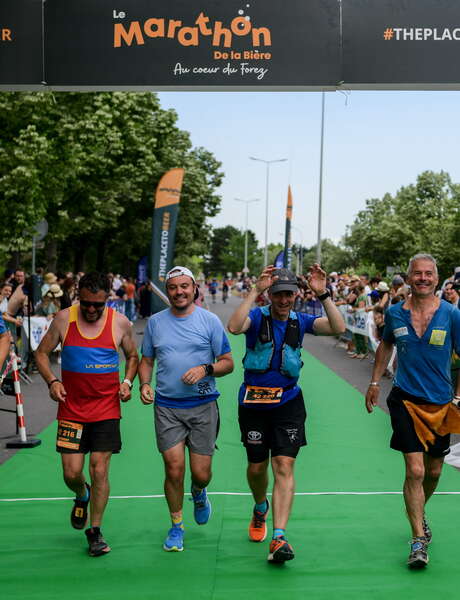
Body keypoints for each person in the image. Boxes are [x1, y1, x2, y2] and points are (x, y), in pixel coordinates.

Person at [227, 265, 345, 564]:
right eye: (278, 294)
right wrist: (254, 290)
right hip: (253, 404)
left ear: (296, 295)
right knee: (257, 468)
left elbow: (338, 327)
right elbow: (233, 326)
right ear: (271, 295)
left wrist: (323, 294)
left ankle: (279, 537)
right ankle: (259, 507)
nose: (283, 300)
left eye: (289, 294)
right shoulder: (256, 317)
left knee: (283, 464)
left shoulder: (301, 321)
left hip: (289, 403)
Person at [365, 253, 460, 570]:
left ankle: (419, 512)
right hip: (404, 399)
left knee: (434, 472)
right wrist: (375, 382)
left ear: (436, 277)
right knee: (416, 471)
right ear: (408, 277)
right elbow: (385, 345)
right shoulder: (394, 313)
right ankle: (418, 540)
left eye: (428, 273)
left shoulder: (451, 314)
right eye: (417, 273)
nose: (422, 278)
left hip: (441, 403)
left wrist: (458, 396)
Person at [35, 272, 139, 557]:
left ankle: (95, 531)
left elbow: (132, 356)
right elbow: (41, 353)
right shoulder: (63, 320)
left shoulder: (119, 323)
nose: (91, 309)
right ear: (78, 295)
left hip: (106, 407)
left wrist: (128, 382)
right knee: (71, 473)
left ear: (108, 298)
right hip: (71, 407)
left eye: (97, 304)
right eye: (86, 303)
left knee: (100, 469)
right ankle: (82, 494)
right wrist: (52, 381)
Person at [138, 266, 233, 553]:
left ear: (194, 288)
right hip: (167, 406)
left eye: (184, 286)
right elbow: (146, 360)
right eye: (173, 287)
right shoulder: (155, 323)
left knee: (201, 474)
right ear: (167, 291)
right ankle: (177, 526)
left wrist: (206, 369)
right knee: (174, 468)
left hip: (203, 406)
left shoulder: (210, 321)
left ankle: (199, 492)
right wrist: (144, 384)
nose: (179, 292)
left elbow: (227, 362)